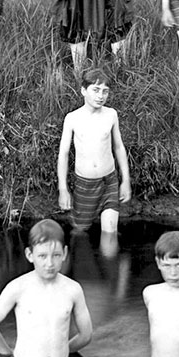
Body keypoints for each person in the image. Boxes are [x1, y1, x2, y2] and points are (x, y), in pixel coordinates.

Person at [0, 219, 93, 357]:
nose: (50, 263)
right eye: (42, 256)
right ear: (29, 255)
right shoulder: (17, 288)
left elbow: (86, 335)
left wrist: (63, 350)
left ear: (64, 253)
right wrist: (7, 353)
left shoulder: (73, 289)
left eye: (56, 255)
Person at [57, 67, 131, 233]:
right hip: (85, 184)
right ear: (84, 91)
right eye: (96, 90)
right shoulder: (72, 118)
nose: (100, 96)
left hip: (109, 181)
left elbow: (119, 147)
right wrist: (63, 189)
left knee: (110, 230)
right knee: (80, 231)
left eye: (105, 91)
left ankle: (110, 256)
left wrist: (125, 180)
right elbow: (63, 154)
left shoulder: (111, 115)